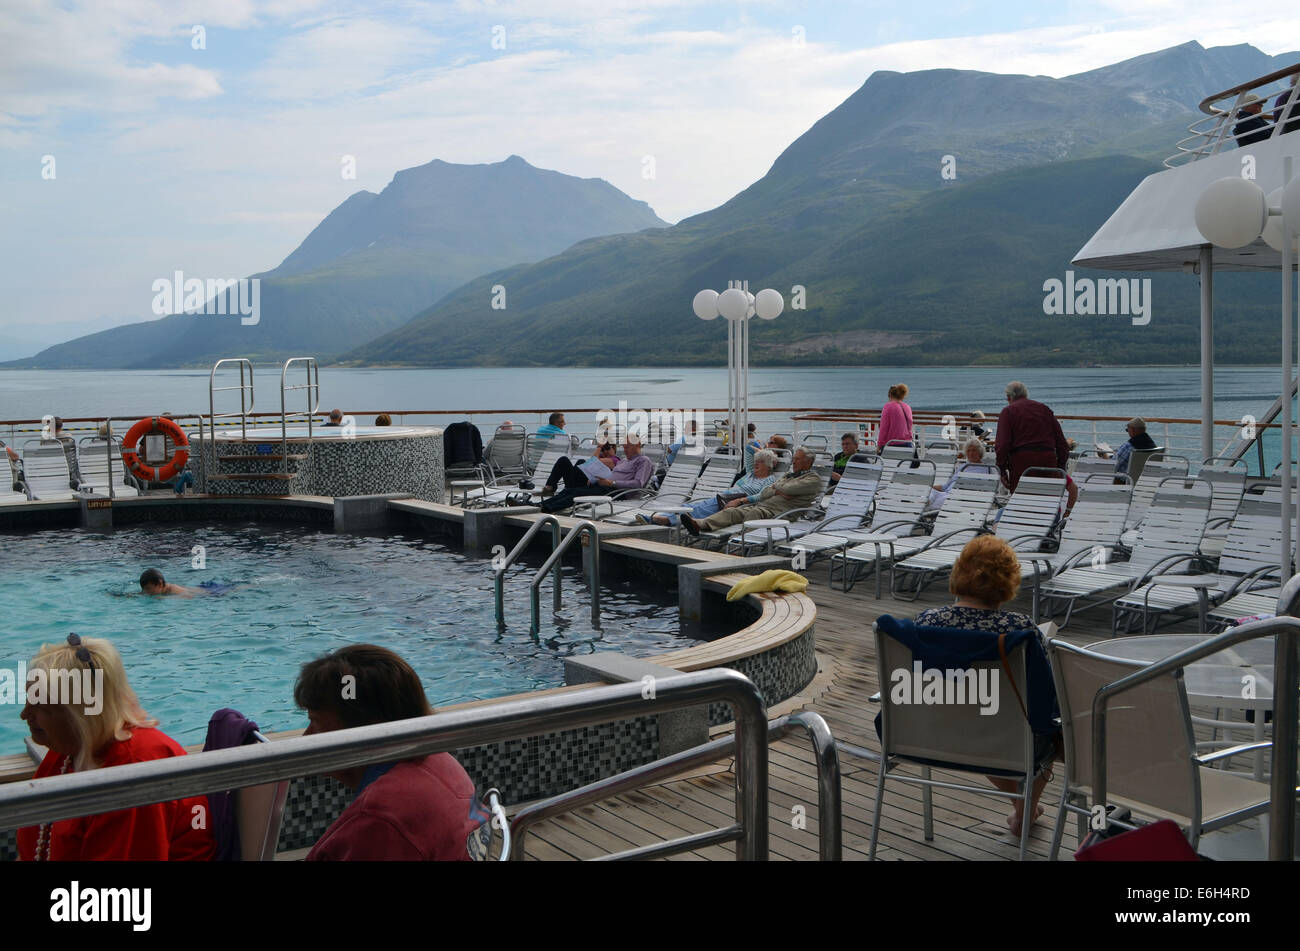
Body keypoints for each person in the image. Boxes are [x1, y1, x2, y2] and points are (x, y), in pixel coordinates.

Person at [17, 634, 216, 861]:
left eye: (39, 706)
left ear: (80, 712)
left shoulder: (136, 772)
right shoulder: (67, 751)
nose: (25, 715)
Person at [913, 536, 1059, 835]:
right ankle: (1024, 811)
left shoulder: (925, 623)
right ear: (1008, 581)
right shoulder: (1020, 630)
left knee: (977, 722)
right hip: (1000, 737)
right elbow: (1044, 695)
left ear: (959, 572)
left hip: (930, 734)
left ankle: (1023, 809)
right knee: (1052, 733)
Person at [294, 644, 487, 861]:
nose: (307, 738)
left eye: (316, 723)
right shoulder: (439, 761)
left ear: (364, 729)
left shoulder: (381, 818)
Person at [681, 447, 821, 535]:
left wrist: (777, 489)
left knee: (754, 512)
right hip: (763, 507)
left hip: (781, 513)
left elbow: (786, 488)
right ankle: (700, 525)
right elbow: (766, 492)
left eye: (797, 459)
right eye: (794, 459)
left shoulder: (813, 479)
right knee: (732, 511)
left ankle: (742, 543)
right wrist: (779, 491)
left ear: (808, 462)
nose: (793, 462)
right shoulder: (788, 475)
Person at [643, 449, 779, 526]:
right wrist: (763, 453)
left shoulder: (769, 480)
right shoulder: (750, 474)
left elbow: (761, 496)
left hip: (737, 502)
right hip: (724, 497)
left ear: (768, 465)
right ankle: (663, 517)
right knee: (696, 505)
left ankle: (666, 520)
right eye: (755, 462)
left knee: (701, 508)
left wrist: (741, 500)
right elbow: (749, 449)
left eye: (760, 462)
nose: (755, 464)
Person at [539, 437, 654, 513]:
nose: (625, 450)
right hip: (604, 486)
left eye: (627, 447)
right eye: (623, 447)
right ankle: (540, 505)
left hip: (617, 492)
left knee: (577, 493)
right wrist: (594, 479)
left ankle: (546, 509)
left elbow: (638, 483)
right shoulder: (624, 460)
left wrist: (611, 483)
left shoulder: (643, 461)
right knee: (570, 491)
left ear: (638, 444)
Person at [994, 381, 1069, 492]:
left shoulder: (1008, 412)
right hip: (1048, 462)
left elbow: (1002, 444)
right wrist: (1060, 467)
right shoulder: (1044, 409)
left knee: (1023, 504)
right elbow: (1062, 443)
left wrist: (1002, 470)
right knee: (1048, 503)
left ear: (1009, 397)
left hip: (1022, 465)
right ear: (1026, 394)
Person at [928, 439, 997, 509]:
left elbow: (982, 490)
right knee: (928, 492)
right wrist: (929, 486)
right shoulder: (962, 466)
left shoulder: (985, 469)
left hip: (960, 497)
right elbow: (946, 486)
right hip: (946, 493)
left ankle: (922, 508)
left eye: (973, 450)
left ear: (980, 452)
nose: (971, 453)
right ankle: (922, 506)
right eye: (968, 451)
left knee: (932, 502)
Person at [875, 384, 914, 453]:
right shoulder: (907, 407)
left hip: (892, 445)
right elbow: (910, 426)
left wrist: (879, 445)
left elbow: (884, 428)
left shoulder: (888, 406)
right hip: (908, 444)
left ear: (890, 395)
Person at [138, 567, 220, 597]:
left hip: (212, 592)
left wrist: (164, 598)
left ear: (159, 584)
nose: (146, 592)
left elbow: (189, 596)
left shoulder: (173, 589)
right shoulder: (159, 589)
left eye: (148, 589)